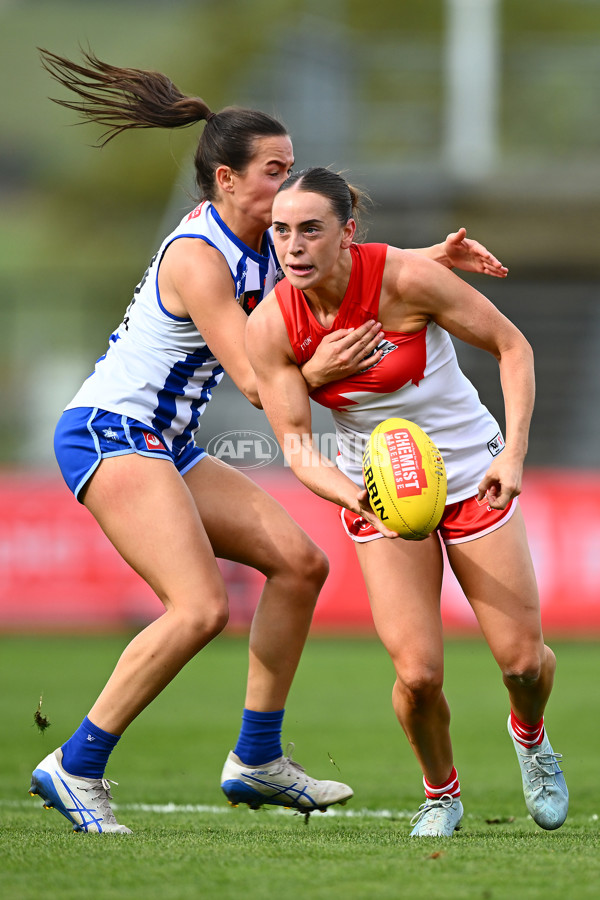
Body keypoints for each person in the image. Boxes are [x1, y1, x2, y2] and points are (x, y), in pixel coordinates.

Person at [29, 49, 509, 835]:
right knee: (198, 608)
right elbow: (258, 383)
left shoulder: (263, 240)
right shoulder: (198, 257)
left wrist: (430, 262)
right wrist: (314, 364)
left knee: (299, 563)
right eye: (272, 170)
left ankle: (256, 758)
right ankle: (76, 765)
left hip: (167, 443)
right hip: (111, 432)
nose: (286, 184)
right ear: (226, 181)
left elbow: (337, 269)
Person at [246, 167, 569, 837]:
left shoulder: (405, 279)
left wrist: (511, 454)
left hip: (472, 473)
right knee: (418, 675)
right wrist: (361, 498)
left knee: (523, 663)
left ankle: (533, 742)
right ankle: (441, 793)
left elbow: (514, 347)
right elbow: (299, 448)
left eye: (311, 229)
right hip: (379, 492)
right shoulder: (271, 323)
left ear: (348, 233)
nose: (294, 246)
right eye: (281, 231)